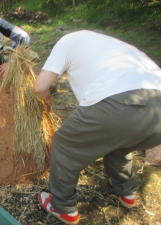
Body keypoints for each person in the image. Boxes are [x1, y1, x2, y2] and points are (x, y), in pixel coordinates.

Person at [33, 30, 161, 225]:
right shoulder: (114, 45)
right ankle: (127, 190)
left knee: (65, 143)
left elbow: (39, 87)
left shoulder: (67, 41)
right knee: (120, 144)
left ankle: (62, 205)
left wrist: (47, 98)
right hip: (156, 114)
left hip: (120, 103)